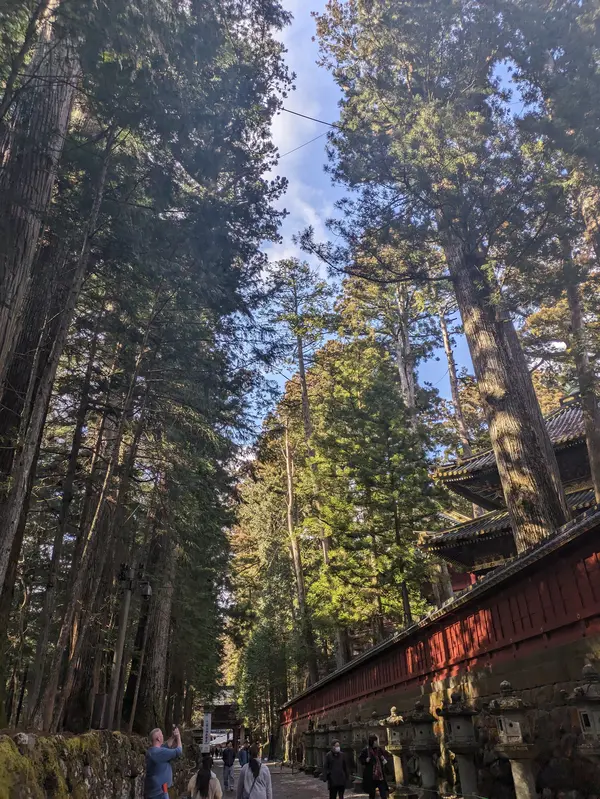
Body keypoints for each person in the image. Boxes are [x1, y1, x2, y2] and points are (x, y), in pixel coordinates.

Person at [144, 725, 182, 799]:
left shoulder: (154, 751)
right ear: (158, 738)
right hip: (158, 793)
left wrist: (173, 737)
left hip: (159, 791)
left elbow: (166, 746)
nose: (163, 735)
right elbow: (179, 751)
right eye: (161, 734)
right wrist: (178, 737)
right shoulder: (158, 752)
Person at [359, 735, 389, 799]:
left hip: (380, 775)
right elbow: (361, 760)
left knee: (383, 794)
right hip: (371, 775)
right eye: (375, 741)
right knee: (372, 794)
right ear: (372, 742)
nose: (377, 743)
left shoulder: (379, 750)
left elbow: (385, 759)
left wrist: (383, 758)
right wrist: (366, 760)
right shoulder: (366, 750)